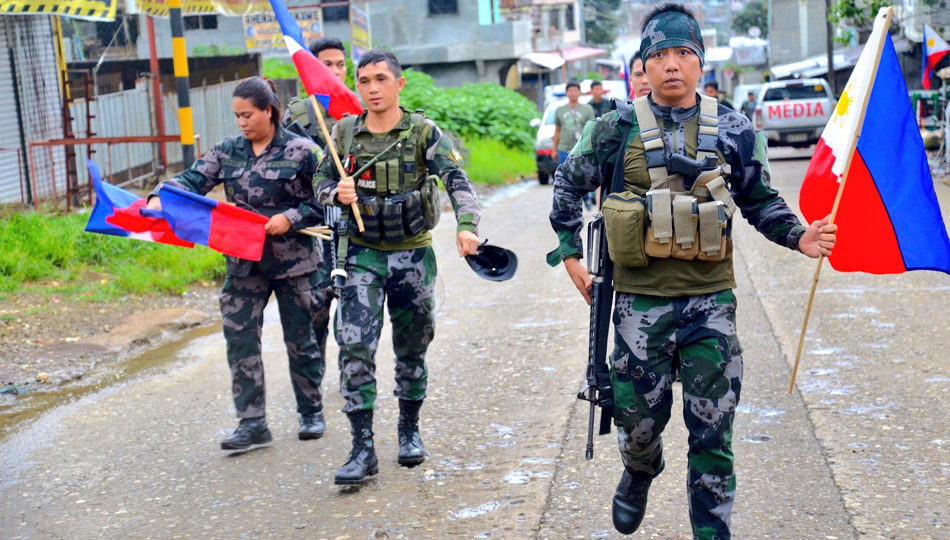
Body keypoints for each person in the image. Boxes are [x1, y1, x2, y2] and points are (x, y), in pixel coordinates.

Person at [548, 4, 837, 538]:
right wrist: (570, 257)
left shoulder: (734, 127)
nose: (672, 64)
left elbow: (760, 200)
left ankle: (712, 531)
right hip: (638, 305)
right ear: (644, 64)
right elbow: (567, 186)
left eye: (684, 53)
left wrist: (800, 236)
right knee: (638, 424)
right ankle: (640, 469)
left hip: (711, 305)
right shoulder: (613, 128)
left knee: (713, 432)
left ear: (700, 63)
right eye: (659, 55)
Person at [314, 49, 482, 485]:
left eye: (380, 79)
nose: (372, 88)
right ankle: (362, 445)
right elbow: (318, 184)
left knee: (412, 347)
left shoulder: (424, 132)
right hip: (360, 255)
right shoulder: (344, 133)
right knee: (354, 346)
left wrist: (467, 226)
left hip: (411, 255)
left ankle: (409, 429)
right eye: (364, 80)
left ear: (399, 83)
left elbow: (457, 180)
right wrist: (337, 194)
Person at [147, 77, 328, 450]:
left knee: (301, 340)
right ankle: (252, 423)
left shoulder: (302, 150)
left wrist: (292, 218)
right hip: (245, 262)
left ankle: (310, 411)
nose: (242, 123)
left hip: (295, 263)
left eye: (248, 115)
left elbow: (327, 200)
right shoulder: (228, 151)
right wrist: (157, 197)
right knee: (239, 339)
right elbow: (193, 179)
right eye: (237, 116)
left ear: (269, 111)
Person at [281, 36, 350, 428]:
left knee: (355, 308)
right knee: (316, 311)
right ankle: (312, 389)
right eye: (326, 64)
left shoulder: (358, 113)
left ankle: (353, 374)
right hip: (316, 231)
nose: (335, 72)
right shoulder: (296, 119)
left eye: (340, 65)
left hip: (354, 231)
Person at [554, 81, 596, 210]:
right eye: (570, 91)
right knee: (566, 179)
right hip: (563, 148)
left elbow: (592, 129)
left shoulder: (587, 109)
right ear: (566, 93)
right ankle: (571, 205)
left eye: (575, 90)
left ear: (579, 92)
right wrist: (553, 149)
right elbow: (557, 130)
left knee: (581, 177)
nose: (573, 93)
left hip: (581, 150)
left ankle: (586, 198)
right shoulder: (560, 110)